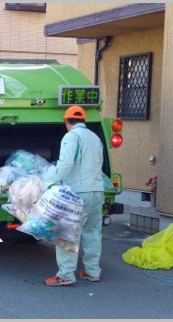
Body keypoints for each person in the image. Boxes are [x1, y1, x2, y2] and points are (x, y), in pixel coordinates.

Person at [44, 105, 104, 286]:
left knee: (67, 235)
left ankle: (65, 275)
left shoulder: (71, 137)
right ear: (83, 120)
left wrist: (49, 183)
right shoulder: (95, 138)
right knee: (92, 232)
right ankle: (92, 271)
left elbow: (65, 163)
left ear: (66, 121)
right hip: (97, 191)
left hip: (78, 193)